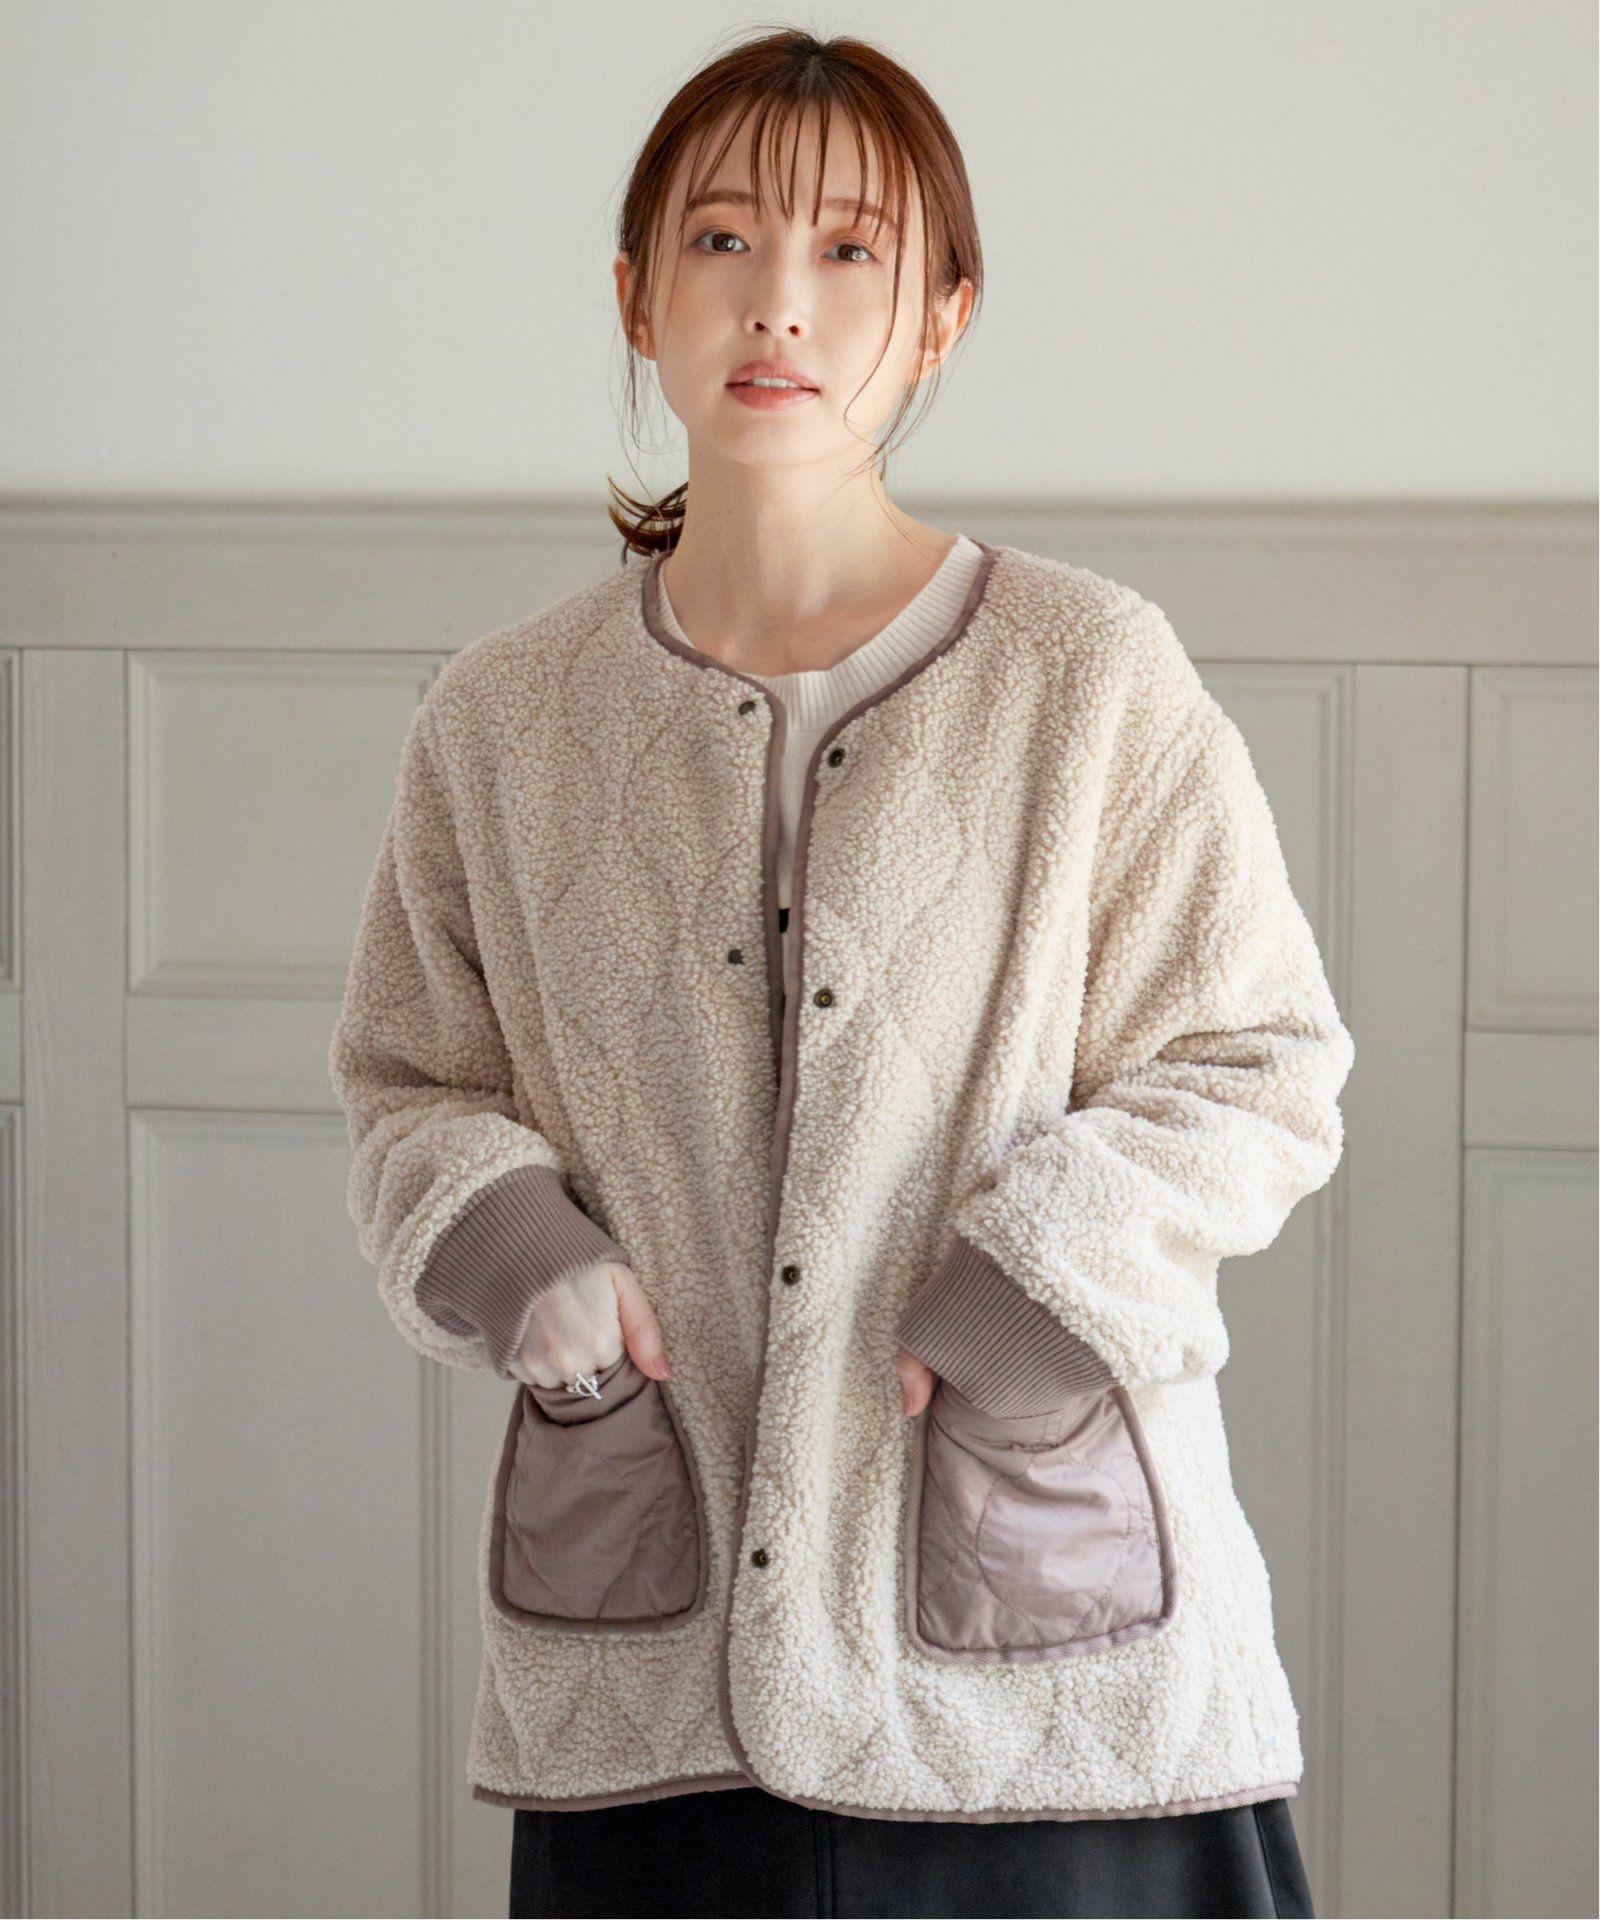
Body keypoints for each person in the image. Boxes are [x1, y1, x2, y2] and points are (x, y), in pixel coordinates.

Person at [329, 25, 1351, 1919]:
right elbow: (412, 1078)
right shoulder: (502, 716)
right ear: (636, 298)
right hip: (657, 1677)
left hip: (1043, 1686)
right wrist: (521, 1256)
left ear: (947, 311)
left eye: (851, 251)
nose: (777, 301)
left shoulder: (1088, 675)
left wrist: (1038, 1286)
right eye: (721, 240)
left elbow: (1262, 1063)